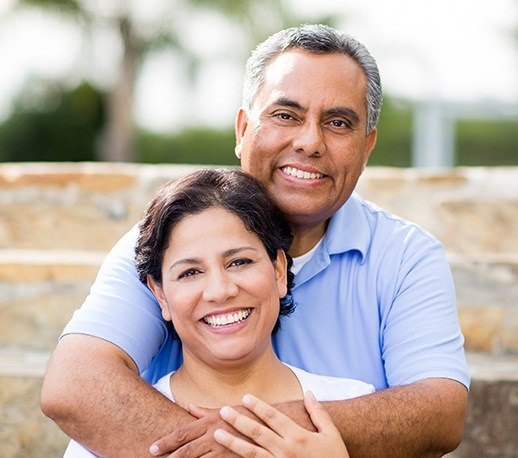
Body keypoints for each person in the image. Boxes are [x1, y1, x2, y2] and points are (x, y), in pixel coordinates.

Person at [41, 24, 470, 457]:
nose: (309, 142)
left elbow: (440, 410)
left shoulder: (405, 256)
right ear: (243, 129)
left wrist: (256, 435)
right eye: (286, 115)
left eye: (338, 123)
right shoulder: (166, 240)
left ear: (366, 146)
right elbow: (76, 384)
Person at [64, 168, 375, 457]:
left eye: (239, 262)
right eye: (190, 273)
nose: (219, 290)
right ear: (160, 295)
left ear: (279, 270)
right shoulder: (106, 431)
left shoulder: (349, 401)